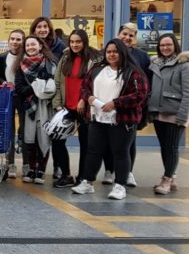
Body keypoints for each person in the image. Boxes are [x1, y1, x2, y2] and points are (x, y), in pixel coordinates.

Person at [71, 39, 149, 200]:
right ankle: (88, 182)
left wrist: (116, 103)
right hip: (97, 118)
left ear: (122, 53)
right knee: (93, 151)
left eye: (115, 51)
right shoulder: (97, 69)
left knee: (120, 153)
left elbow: (140, 95)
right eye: (109, 52)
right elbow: (84, 87)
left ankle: (120, 185)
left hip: (122, 120)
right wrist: (89, 98)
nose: (112, 55)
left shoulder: (133, 71)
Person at [52, 29, 103, 188]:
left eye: (78, 42)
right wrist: (58, 104)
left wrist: (84, 100)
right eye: (72, 42)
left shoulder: (94, 59)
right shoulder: (65, 57)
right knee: (57, 139)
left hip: (85, 108)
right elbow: (58, 81)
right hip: (67, 107)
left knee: (86, 144)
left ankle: (83, 177)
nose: (75, 45)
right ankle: (66, 174)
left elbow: (95, 84)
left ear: (84, 42)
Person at [147, 33, 189, 194]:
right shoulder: (155, 63)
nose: (165, 48)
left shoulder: (185, 65)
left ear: (175, 45)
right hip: (158, 112)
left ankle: (166, 180)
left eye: (168, 44)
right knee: (165, 147)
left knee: (172, 147)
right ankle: (172, 177)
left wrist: (183, 116)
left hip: (175, 113)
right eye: (162, 45)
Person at [13, 36, 58, 184]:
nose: (30, 47)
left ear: (40, 46)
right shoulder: (20, 65)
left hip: (46, 107)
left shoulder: (50, 64)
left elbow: (53, 86)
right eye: (27, 45)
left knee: (44, 138)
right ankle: (31, 168)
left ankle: (41, 170)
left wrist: (36, 87)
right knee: (29, 139)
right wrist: (37, 86)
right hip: (28, 107)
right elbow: (19, 88)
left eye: (33, 44)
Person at [115, 22, 153, 188]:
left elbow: (148, 80)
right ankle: (111, 171)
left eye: (131, 35)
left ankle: (128, 172)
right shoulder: (110, 51)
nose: (127, 38)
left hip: (132, 106)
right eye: (124, 33)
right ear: (118, 34)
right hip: (110, 104)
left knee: (129, 141)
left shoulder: (142, 56)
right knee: (110, 141)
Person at [30, 17, 67, 179]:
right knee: (38, 134)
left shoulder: (60, 47)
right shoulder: (30, 44)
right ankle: (36, 166)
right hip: (36, 98)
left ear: (50, 29)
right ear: (34, 29)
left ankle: (58, 166)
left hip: (56, 98)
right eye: (39, 27)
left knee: (57, 135)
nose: (42, 29)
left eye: (45, 26)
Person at [0, 29, 24, 178]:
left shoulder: (27, 57)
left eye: (18, 39)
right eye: (12, 38)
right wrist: (3, 82)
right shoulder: (1, 58)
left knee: (25, 130)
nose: (15, 42)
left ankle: (27, 164)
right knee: (9, 129)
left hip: (24, 97)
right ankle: (10, 163)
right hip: (7, 96)